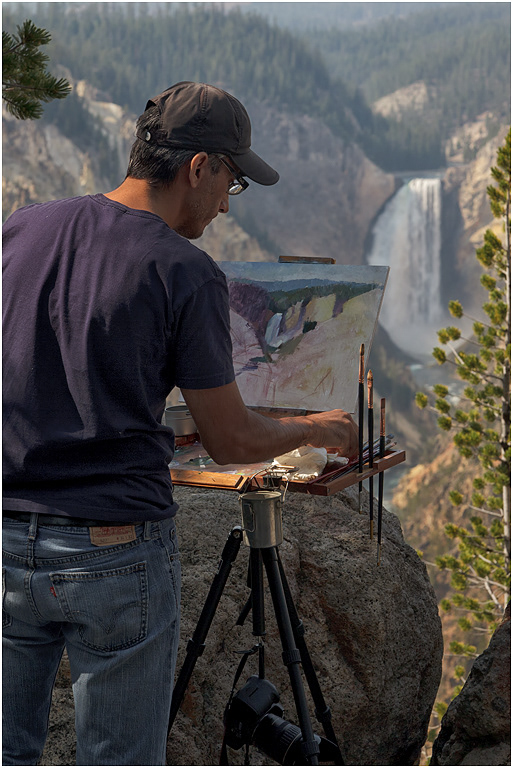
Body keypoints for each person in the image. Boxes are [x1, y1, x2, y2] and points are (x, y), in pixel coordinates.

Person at [2, 81, 358, 766]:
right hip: (113, 550)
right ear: (200, 167)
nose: (227, 204)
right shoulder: (182, 269)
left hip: (9, 535)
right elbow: (234, 442)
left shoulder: (22, 227)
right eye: (230, 181)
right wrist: (316, 426)